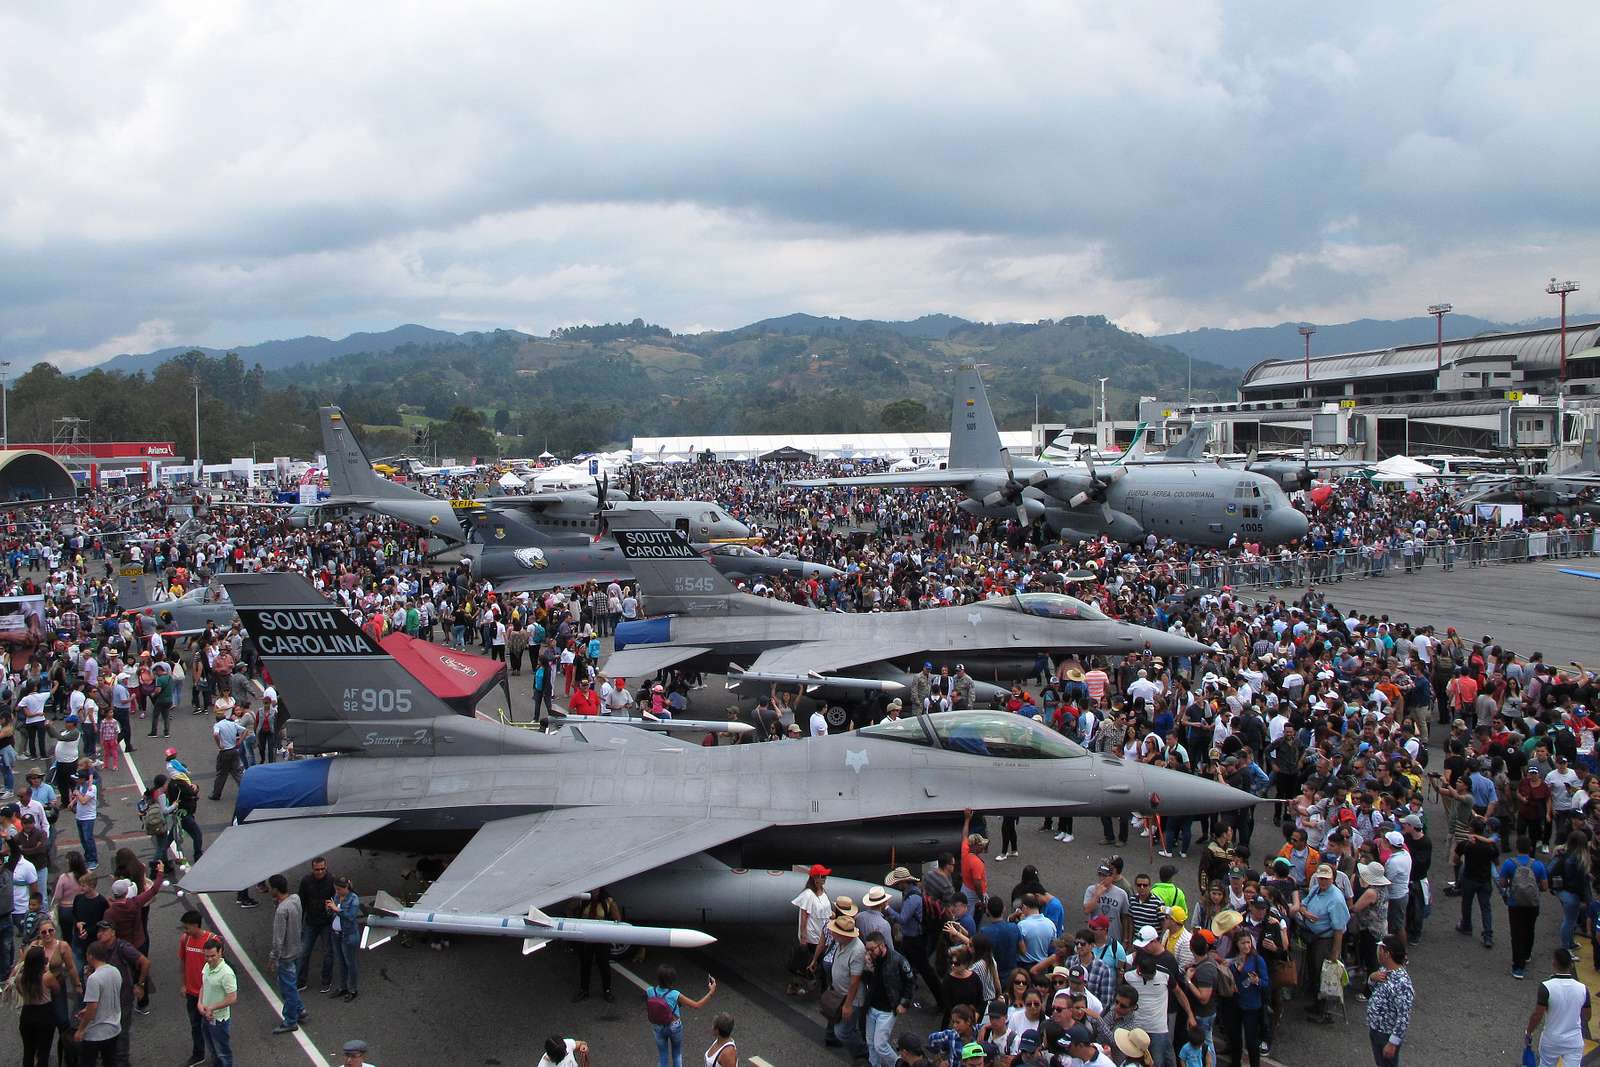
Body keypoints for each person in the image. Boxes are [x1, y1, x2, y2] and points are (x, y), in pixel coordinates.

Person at [1525, 947, 1591, 1067]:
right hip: (1574, 1040)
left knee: (1545, 1064)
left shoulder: (1546, 987)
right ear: (1571, 965)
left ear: (1554, 963)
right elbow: (1587, 1016)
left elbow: (1537, 1015)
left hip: (1551, 1039)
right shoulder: (1583, 989)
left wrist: (1529, 1032)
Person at [645, 964, 716, 1067]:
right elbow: (697, 1005)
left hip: (658, 1026)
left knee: (663, 1056)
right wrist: (711, 991)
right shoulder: (675, 994)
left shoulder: (650, 991)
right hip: (674, 1026)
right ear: (672, 980)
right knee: (676, 1054)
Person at [1499, 835, 1549, 979]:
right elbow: (1545, 887)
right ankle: (1527, 954)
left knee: (1516, 933)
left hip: (1515, 904)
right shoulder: (1538, 865)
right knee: (1529, 929)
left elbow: (1502, 883)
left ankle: (1518, 967)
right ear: (1531, 848)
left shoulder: (1509, 864)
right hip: (1532, 903)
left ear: (1517, 848)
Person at [267, 873, 307, 1033]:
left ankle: (290, 1020)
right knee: (291, 984)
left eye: (271, 888)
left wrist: (272, 958)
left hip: (286, 955)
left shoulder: (281, 911)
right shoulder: (295, 899)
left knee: (287, 988)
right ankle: (299, 1009)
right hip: (297, 947)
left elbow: (278, 939)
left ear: (276, 889)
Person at [1364, 935, 1413, 1066]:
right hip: (1376, 1028)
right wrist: (1372, 978)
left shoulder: (1402, 984)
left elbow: (1403, 1017)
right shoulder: (1384, 970)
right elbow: (1375, 991)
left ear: (1387, 954)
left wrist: (1392, 1043)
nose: (1378, 952)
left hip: (1386, 1035)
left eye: (1380, 949)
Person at [178, 909, 218, 1067]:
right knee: (195, 1026)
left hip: (209, 994)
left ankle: (217, 1056)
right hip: (192, 992)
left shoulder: (212, 940)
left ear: (195, 925)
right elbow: (183, 962)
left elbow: (219, 966)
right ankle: (198, 1054)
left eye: (187, 927)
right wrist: (183, 983)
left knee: (212, 1027)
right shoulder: (185, 940)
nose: (185, 931)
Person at [75, 939, 123, 1067]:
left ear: (91, 956)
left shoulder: (94, 979)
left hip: (96, 1033)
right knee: (110, 1062)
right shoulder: (115, 971)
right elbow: (108, 997)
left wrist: (80, 1029)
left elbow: (93, 1007)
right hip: (114, 1028)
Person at [13, 943, 61, 1067]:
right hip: (45, 1014)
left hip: (27, 1014)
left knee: (28, 1051)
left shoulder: (20, 978)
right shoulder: (47, 977)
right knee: (44, 1052)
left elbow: (19, 990)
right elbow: (57, 990)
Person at [574, 885, 620, 1003]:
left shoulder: (608, 901)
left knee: (603, 965)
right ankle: (584, 990)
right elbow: (570, 909)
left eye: (596, 890)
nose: (593, 892)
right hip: (586, 938)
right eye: (592, 890)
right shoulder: (583, 900)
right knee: (585, 965)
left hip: (601, 939)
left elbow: (617, 918)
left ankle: (607, 990)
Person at [198, 938, 237, 1067]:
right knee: (212, 1047)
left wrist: (212, 1008)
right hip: (206, 1015)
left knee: (222, 1051)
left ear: (220, 952)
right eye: (207, 956)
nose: (209, 959)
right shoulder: (207, 967)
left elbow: (232, 998)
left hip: (219, 1019)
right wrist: (200, 1003)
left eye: (213, 956)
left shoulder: (227, 974)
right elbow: (204, 985)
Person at [330, 875, 362, 1001]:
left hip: (348, 936)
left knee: (350, 963)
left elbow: (350, 916)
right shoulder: (337, 896)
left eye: (339, 889)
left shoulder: (354, 899)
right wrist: (330, 909)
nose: (337, 892)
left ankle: (353, 989)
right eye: (336, 889)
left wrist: (336, 910)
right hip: (337, 934)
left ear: (346, 887)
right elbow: (333, 912)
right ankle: (342, 987)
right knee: (341, 962)